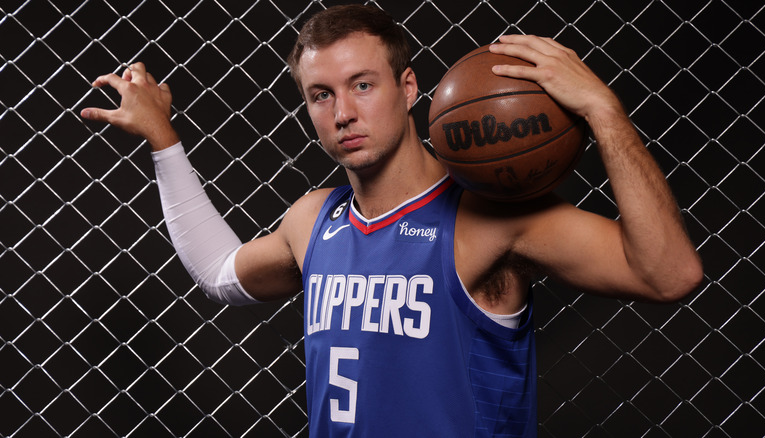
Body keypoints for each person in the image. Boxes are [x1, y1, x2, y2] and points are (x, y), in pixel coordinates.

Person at [80, 4, 702, 437]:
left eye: (362, 85)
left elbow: (670, 274)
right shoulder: (312, 220)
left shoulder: (490, 219)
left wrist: (603, 111)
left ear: (408, 89)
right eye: (321, 94)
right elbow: (218, 272)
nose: (343, 112)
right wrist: (164, 142)